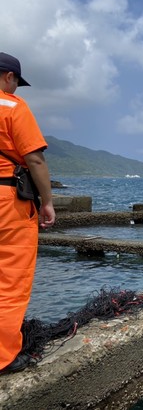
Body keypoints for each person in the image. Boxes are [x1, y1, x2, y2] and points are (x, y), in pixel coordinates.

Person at [0, 52, 55, 374]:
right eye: (17, 83)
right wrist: (46, 201)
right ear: (9, 77)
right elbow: (35, 160)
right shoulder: (12, 107)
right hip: (7, 200)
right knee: (10, 276)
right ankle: (5, 357)